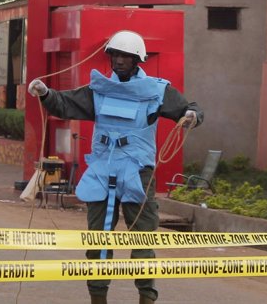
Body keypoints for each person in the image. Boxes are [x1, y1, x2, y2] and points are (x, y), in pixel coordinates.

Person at [28, 30, 203, 304]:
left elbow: (188, 109)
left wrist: (192, 116)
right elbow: (63, 104)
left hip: (138, 172)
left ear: (137, 60)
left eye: (126, 56)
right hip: (102, 170)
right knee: (97, 241)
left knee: (143, 240)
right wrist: (44, 92)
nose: (119, 61)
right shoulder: (98, 90)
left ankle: (146, 297)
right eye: (116, 55)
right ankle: (98, 299)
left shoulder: (157, 90)